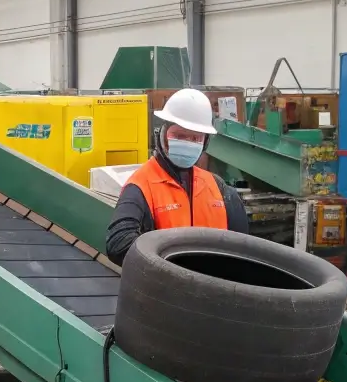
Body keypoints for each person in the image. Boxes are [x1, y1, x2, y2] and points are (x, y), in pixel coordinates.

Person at [105, 88, 249, 265]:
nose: (187, 143)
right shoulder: (141, 185)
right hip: (166, 288)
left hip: (212, 289)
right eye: (179, 135)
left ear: (205, 143)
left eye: (195, 138)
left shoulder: (218, 188)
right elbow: (118, 244)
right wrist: (174, 263)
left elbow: (243, 248)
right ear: (163, 134)